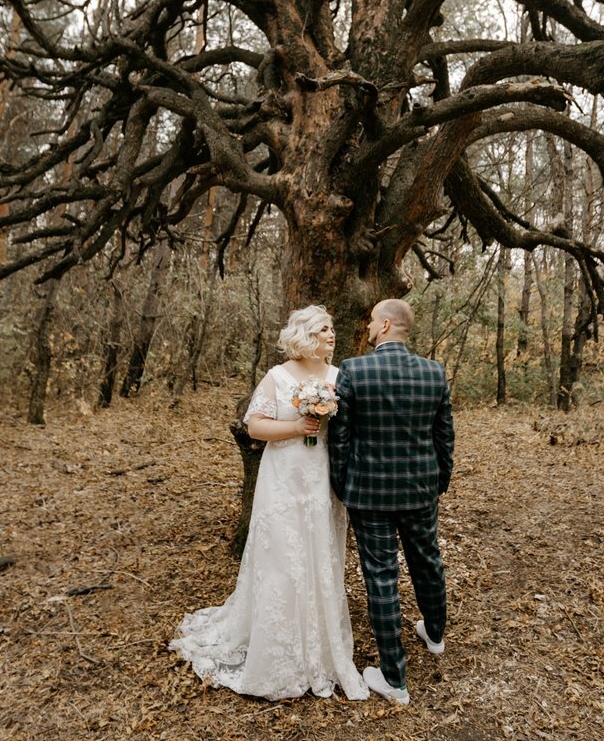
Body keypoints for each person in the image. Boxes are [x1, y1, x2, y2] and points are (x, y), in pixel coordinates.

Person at [169, 305, 368, 701]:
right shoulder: (277, 377)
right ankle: (276, 644)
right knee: (281, 554)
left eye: (331, 329)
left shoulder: (339, 377)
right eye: (325, 329)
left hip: (324, 476)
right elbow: (254, 426)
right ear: (308, 336)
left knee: (320, 552)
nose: (333, 335)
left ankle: (321, 644)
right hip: (284, 475)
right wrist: (296, 426)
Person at [328, 298, 454, 706]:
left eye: (370, 321)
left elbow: (341, 437)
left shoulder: (354, 370)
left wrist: (341, 484)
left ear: (384, 325)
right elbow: (444, 437)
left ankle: (394, 679)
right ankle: (435, 636)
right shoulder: (434, 372)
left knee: (381, 576)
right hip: (419, 489)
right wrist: (438, 483)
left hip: (370, 492)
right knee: (427, 560)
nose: (367, 327)